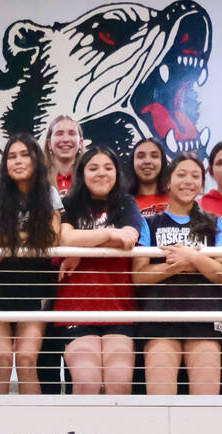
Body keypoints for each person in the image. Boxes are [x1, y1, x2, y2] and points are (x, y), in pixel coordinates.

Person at [53, 144, 145, 396]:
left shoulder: (126, 203)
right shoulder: (69, 204)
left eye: (108, 167)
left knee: (119, 384)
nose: (101, 173)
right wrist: (108, 234)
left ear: (117, 173)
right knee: (86, 384)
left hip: (119, 310)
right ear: (82, 173)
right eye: (93, 168)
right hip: (76, 310)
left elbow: (129, 237)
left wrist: (82, 247)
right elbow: (64, 239)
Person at [137, 153, 222, 396]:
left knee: (206, 403)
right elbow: (138, 275)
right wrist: (176, 266)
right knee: (160, 402)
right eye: (181, 175)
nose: (188, 181)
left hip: (205, 317)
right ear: (168, 181)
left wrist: (193, 258)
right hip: (159, 316)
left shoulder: (216, 223)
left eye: (195, 176)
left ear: (202, 185)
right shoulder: (149, 223)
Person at [0, 136, 63, 394]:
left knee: (27, 360)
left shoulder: (48, 192)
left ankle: (33, 431)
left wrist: (13, 238)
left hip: (34, 287)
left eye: (24, 155)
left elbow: (53, 237)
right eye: (12, 156)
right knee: (1, 362)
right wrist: (33, 237)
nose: (17, 161)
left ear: (36, 159)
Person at [131, 137, 169, 211]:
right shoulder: (121, 204)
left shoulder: (178, 200)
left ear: (162, 161)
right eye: (141, 156)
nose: (147, 161)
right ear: (132, 162)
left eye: (154, 156)